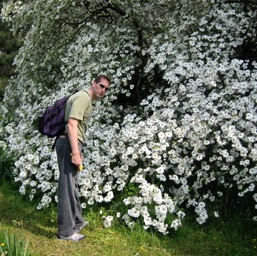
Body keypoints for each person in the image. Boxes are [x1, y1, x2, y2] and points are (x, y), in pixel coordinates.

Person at [56, 74, 111, 241]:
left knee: (72, 185)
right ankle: (65, 232)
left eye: (106, 89)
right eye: (101, 86)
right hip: (69, 145)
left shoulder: (86, 99)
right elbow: (72, 124)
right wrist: (76, 153)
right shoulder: (83, 98)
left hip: (71, 144)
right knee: (67, 186)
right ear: (93, 83)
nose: (103, 90)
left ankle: (77, 221)